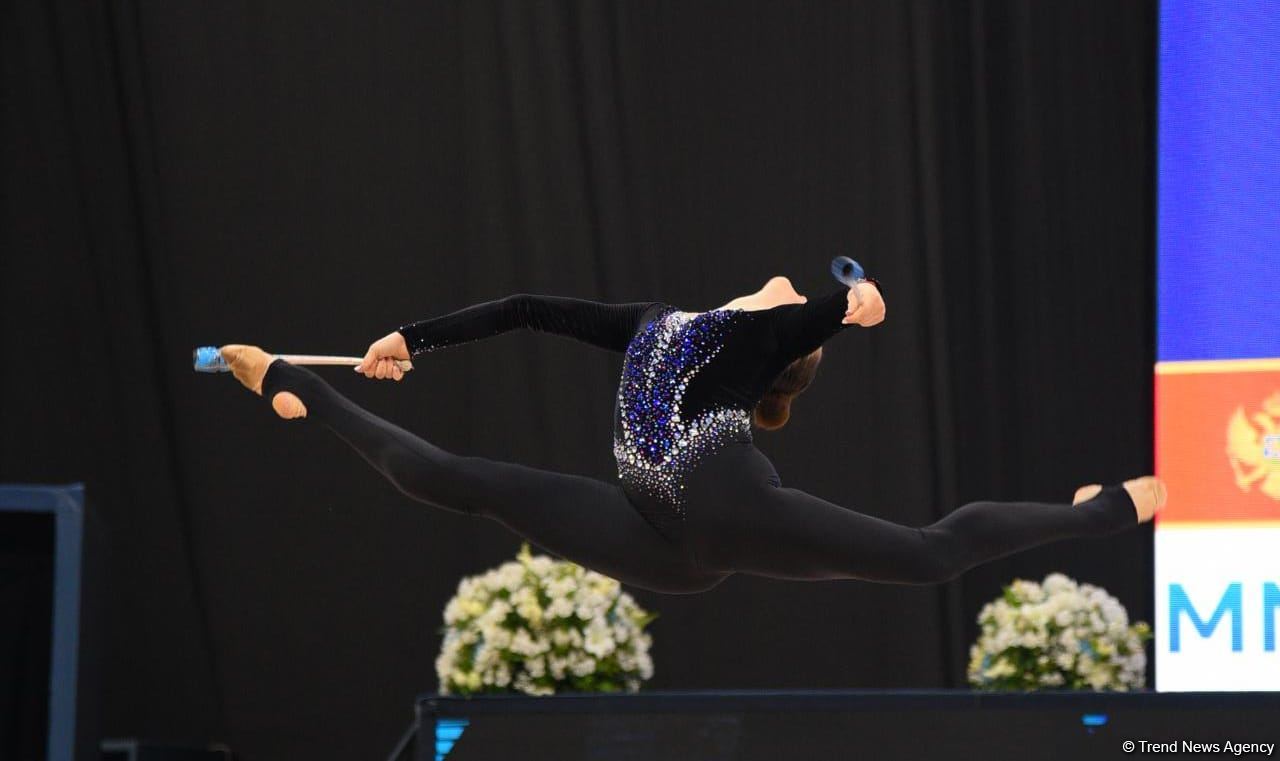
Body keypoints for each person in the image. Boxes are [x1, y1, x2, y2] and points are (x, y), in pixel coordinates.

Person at [217, 275, 1164, 594]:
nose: (778, 284)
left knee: (928, 555)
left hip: (721, 504)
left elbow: (828, 314)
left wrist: (856, 306)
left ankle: (1104, 510)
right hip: (656, 538)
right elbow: (525, 308)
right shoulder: (652, 321)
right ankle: (294, 384)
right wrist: (410, 338)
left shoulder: (754, 342)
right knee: (461, 479)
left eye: (788, 304)